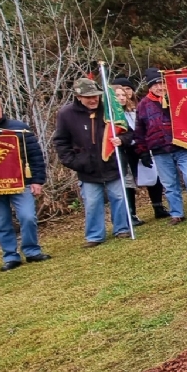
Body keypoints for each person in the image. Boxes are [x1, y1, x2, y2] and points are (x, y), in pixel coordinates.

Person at [0, 91, 50, 271]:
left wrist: (37, 181)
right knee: (0, 223)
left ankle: (32, 251)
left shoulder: (17, 127)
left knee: (27, 216)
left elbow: (35, 155)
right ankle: (10, 256)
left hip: (20, 182)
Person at [52, 77, 132, 246]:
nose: (93, 99)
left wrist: (122, 140)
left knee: (119, 197)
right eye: (88, 97)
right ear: (78, 96)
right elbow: (61, 142)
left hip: (112, 163)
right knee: (93, 203)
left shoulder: (110, 109)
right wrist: (75, 162)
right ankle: (95, 236)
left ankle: (122, 228)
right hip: (87, 169)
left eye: (95, 95)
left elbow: (127, 132)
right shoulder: (66, 114)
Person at [133, 68, 187, 225]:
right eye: (156, 84)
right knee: (169, 184)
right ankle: (177, 213)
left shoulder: (176, 98)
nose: (160, 87)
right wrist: (142, 151)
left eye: (162, 83)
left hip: (183, 146)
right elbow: (139, 130)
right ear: (150, 87)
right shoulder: (143, 105)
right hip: (159, 149)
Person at [112, 77, 167, 224]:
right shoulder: (112, 114)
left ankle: (158, 206)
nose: (124, 95)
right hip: (125, 150)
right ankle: (131, 214)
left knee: (153, 176)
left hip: (141, 146)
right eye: (119, 94)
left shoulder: (136, 107)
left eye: (127, 90)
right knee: (128, 181)